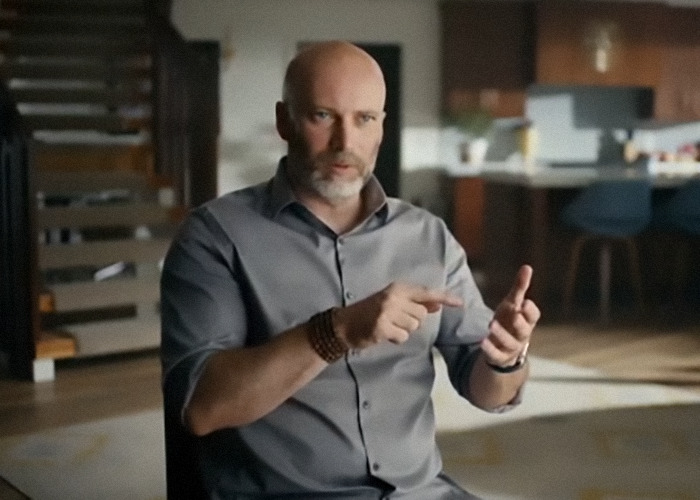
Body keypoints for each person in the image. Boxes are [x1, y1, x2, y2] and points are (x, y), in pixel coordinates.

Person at [160, 40, 540, 499]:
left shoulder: (427, 237)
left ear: (381, 128)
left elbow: (488, 393)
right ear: (284, 121)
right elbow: (201, 405)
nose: (345, 143)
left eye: (364, 119)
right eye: (323, 116)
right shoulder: (215, 237)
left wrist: (505, 359)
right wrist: (335, 332)